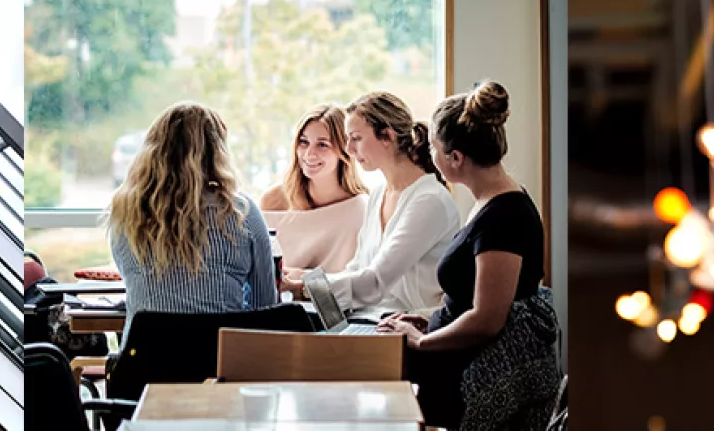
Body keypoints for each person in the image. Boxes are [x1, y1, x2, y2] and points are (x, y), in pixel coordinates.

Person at [376, 81, 561, 430]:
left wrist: (425, 340)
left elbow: (487, 318)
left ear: (455, 158)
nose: (429, 157)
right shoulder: (490, 202)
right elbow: (474, 297)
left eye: (433, 149)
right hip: (458, 354)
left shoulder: (504, 216)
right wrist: (429, 319)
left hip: (479, 372)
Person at [108, 102, 279, 340]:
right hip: (220, 366)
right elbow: (265, 309)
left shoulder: (125, 213)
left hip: (145, 366)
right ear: (217, 153)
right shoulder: (243, 214)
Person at [282, 92, 460, 315]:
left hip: (409, 328)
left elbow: (376, 281)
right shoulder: (378, 195)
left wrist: (302, 289)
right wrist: (300, 277)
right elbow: (356, 270)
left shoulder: (429, 201)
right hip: (370, 319)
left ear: (387, 136)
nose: (348, 149)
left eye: (356, 138)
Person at [259, 104, 369, 273]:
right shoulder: (274, 200)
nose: (309, 153)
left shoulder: (362, 209)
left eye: (322, 144)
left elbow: (363, 280)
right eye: (304, 142)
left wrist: (301, 278)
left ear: (344, 150)